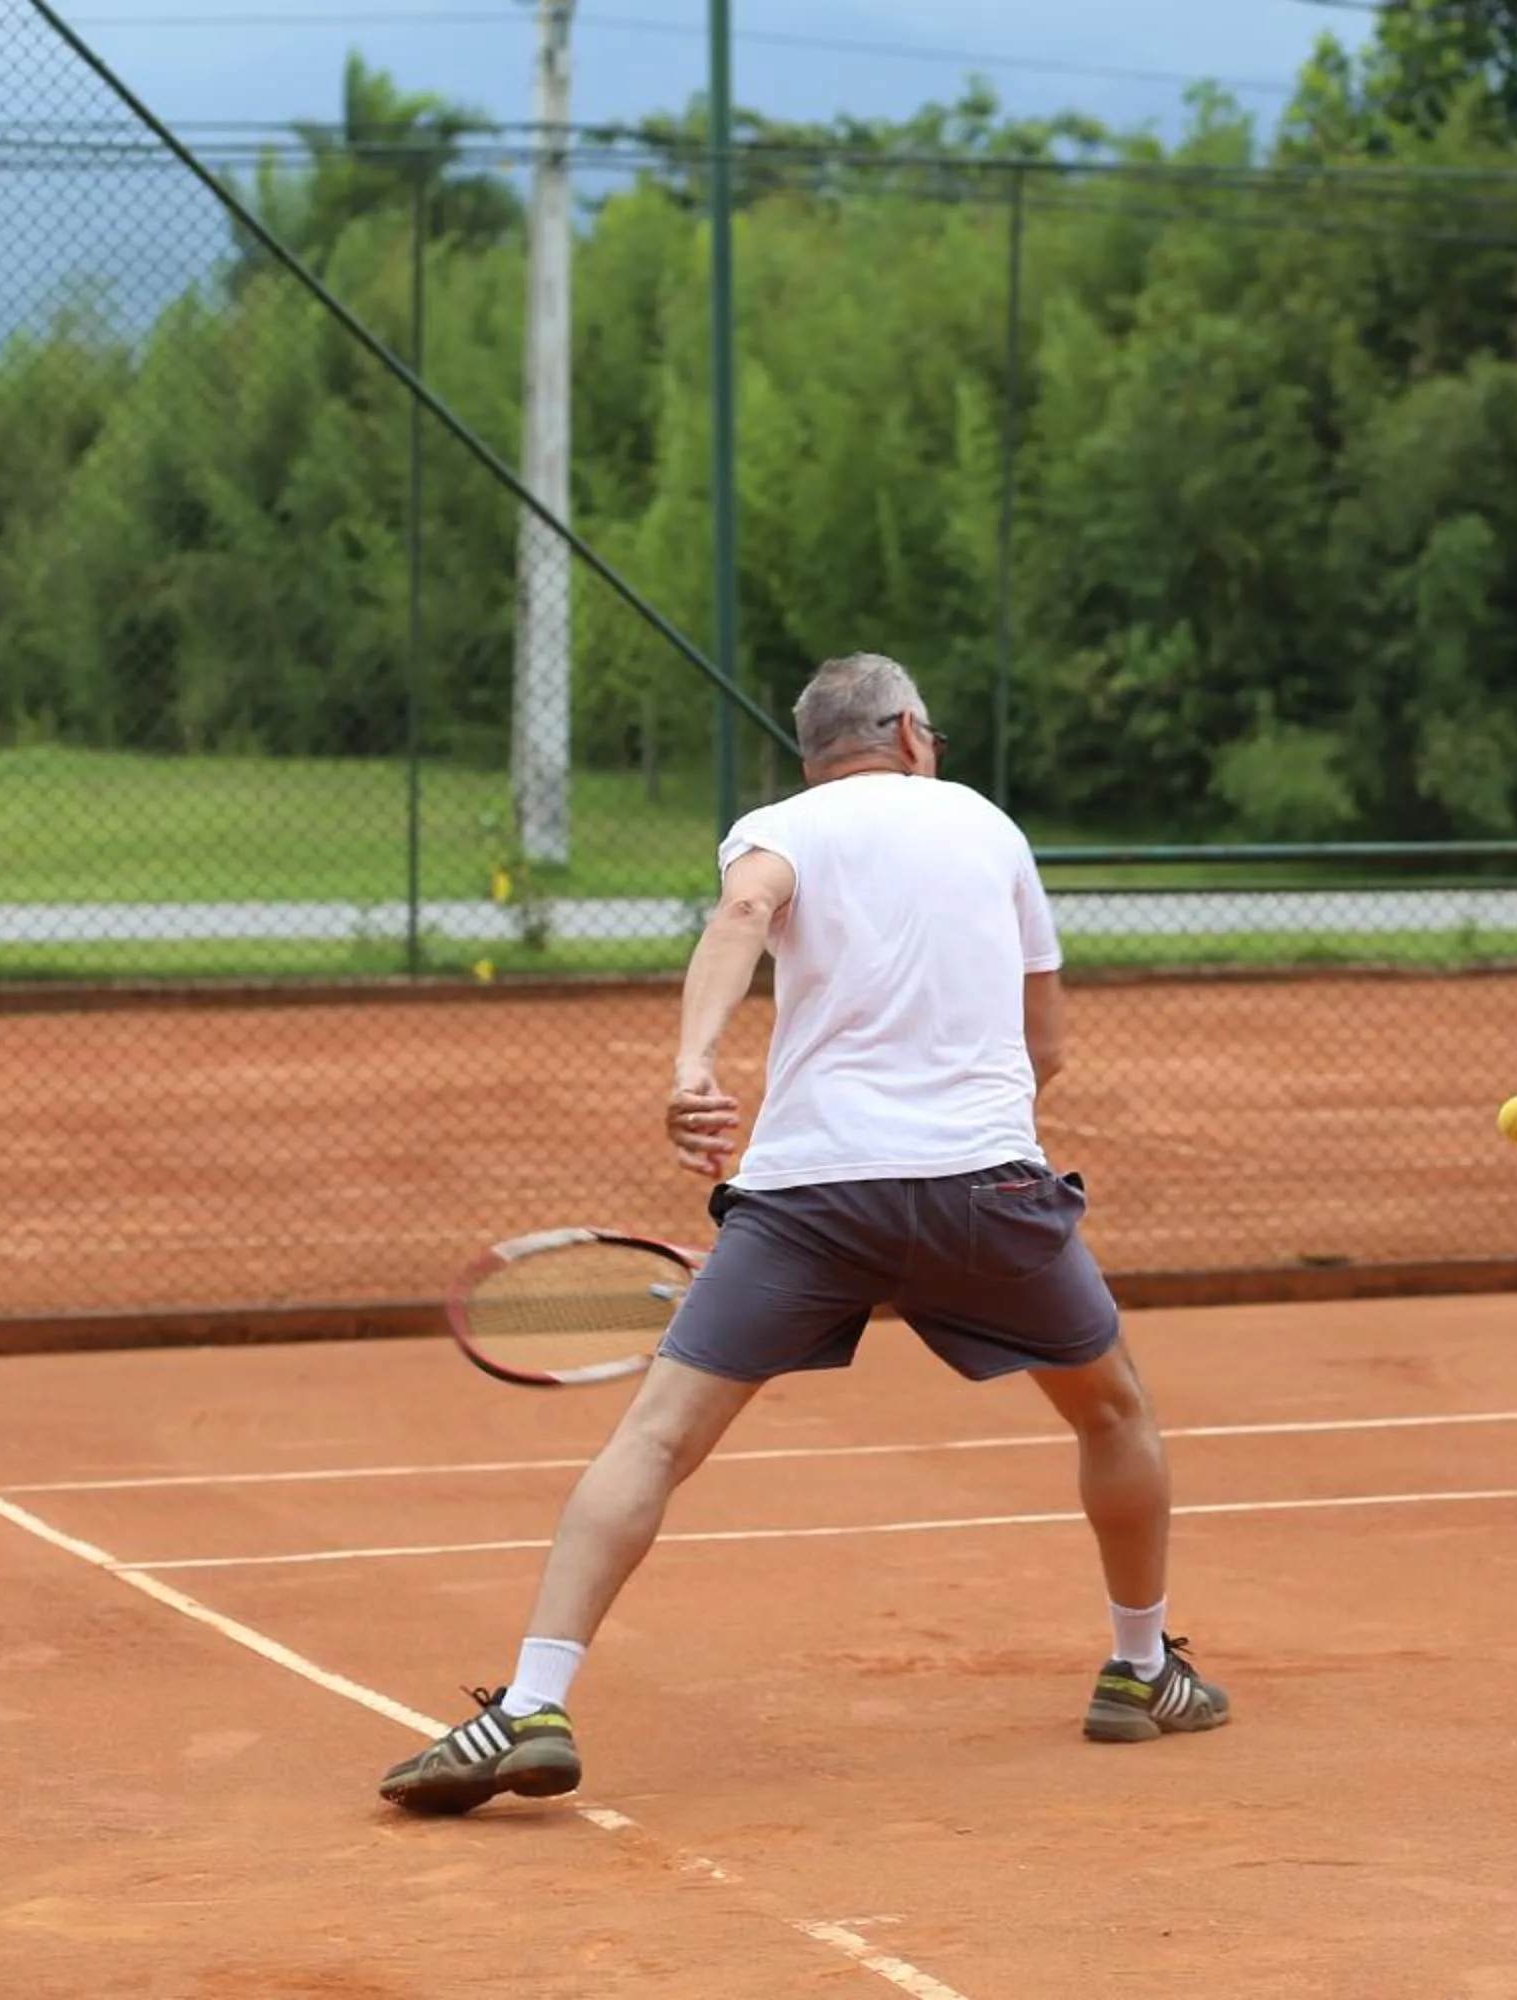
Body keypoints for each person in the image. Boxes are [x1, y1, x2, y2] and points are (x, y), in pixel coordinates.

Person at [378, 653, 1228, 1816]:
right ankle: (1141, 1671)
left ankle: (532, 1699)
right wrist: (951, 1165)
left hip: (809, 1198)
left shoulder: (776, 826)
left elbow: (744, 912)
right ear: (913, 732)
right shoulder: (990, 828)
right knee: (1113, 1406)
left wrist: (691, 1067)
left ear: (817, 751)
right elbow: (1049, 1048)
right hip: (987, 1189)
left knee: (656, 1439)